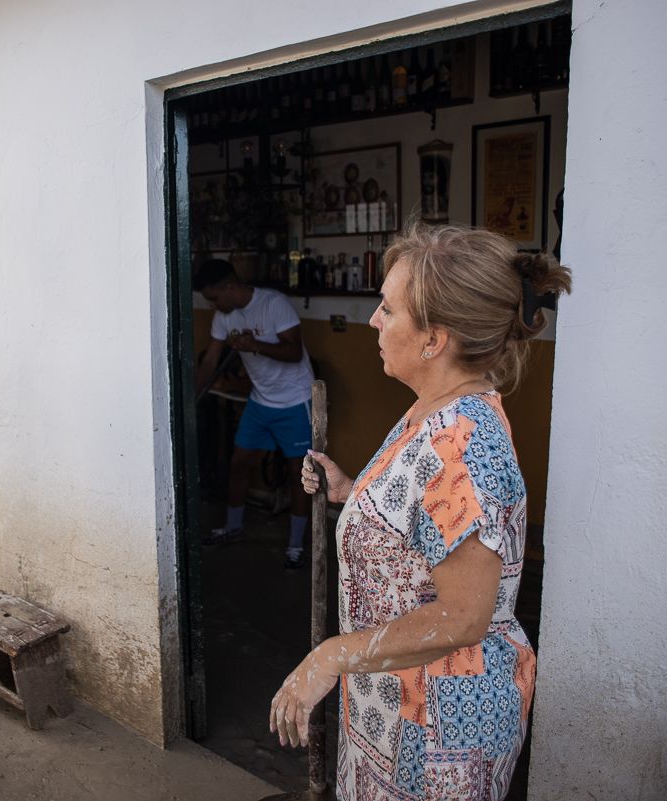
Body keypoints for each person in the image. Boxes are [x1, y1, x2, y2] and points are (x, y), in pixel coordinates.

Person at [270, 224, 572, 800]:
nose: (374, 321)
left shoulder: (463, 443)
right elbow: (429, 520)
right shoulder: (433, 410)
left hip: (440, 726)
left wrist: (332, 655)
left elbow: (461, 619)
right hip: (395, 698)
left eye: (387, 308)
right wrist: (351, 492)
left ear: (433, 340)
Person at [194, 258, 315, 569]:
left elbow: (294, 352)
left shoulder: (274, 304)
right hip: (260, 401)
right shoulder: (223, 316)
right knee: (239, 463)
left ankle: (295, 545)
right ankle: (233, 527)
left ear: (230, 287)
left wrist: (255, 345)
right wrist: (193, 397)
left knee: (298, 474)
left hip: (294, 401)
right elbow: (210, 360)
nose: (212, 305)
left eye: (214, 298)